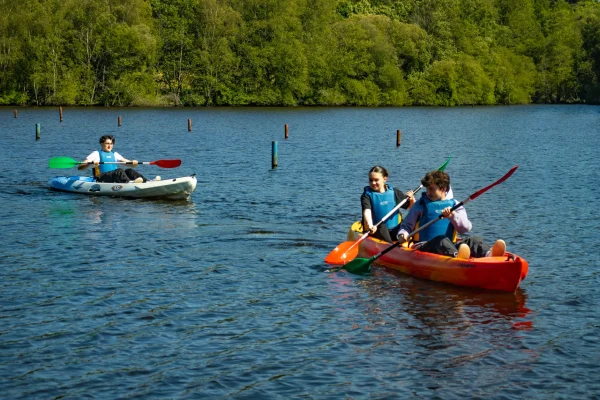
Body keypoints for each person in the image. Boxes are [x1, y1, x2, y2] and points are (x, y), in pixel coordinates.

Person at [396, 170, 505, 259]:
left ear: (443, 189)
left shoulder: (455, 205)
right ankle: (457, 257)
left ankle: (489, 254)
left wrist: (453, 217)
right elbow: (406, 226)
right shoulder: (420, 205)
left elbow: (465, 229)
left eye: (432, 189)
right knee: (441, 240)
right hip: (424, 246)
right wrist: (402, 234)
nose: (428, 192)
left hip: (448, 245)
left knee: (474, 240)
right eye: (427, 188)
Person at [361, 165, 416, 243]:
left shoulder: (394, 192)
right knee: (381, 226)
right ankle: (391, 246)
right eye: (371, 180)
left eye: (376, 180)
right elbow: (367, 211)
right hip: (376, 229)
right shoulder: (366, 196)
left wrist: (412, 200)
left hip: (395, 229)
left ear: (384, 179)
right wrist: (370, 225)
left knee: (408, 222)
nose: (373, 183)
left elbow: (411, 208)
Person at [78, 135, 158, 184]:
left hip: (113, 176)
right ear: (101, 144)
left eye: (111, 144)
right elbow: (80, 167)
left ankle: (147, 181)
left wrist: (133, 163)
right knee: (119, 171)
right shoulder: (96, 153)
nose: (110, 146)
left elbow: (126, 162)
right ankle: (129, 183)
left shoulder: (114, 154)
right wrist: (91, 163)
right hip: (101, 178)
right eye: (107, 144)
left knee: (129, 170)